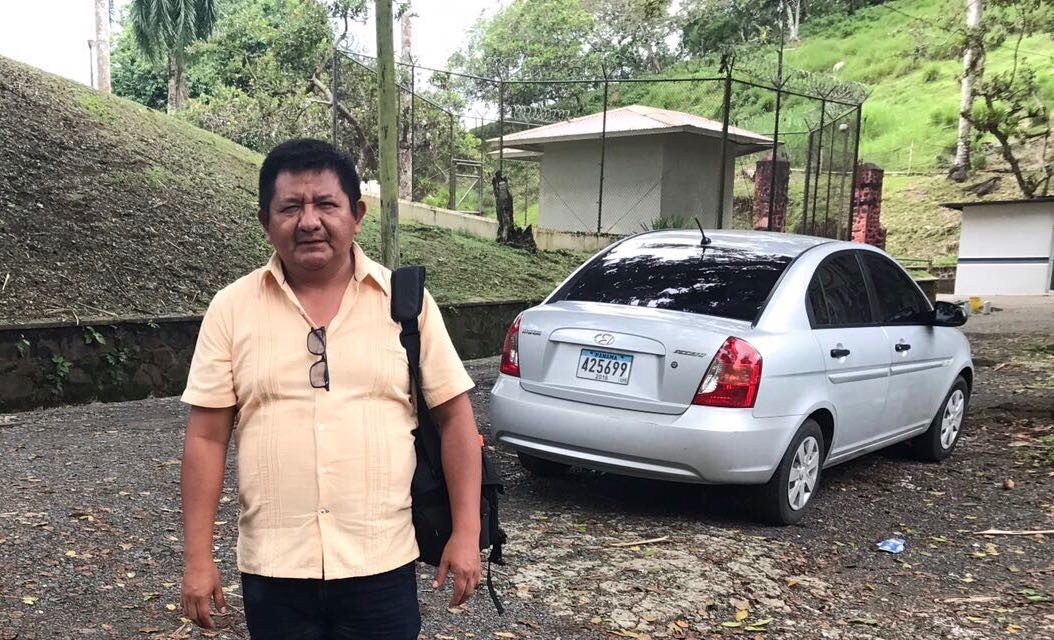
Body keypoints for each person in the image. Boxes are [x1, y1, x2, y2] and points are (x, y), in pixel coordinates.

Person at [178, 138, 482, 639]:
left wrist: (466, 535)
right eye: (290, 207)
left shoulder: (405, 304)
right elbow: (206, 438)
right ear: (265, 221)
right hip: (275, 569)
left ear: (356, 215)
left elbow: (455, 421)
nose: (309, 221)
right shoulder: (231, 309)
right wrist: (197, 558)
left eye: (325, 204)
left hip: (380, 561)